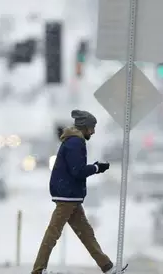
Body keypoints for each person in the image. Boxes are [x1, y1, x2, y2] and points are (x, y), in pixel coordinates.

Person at [31, 110, 126, 274]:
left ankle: (107, 267)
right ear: (85, 127)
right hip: (67, 194)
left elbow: (76, 168)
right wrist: (97, 168)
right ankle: (38, 270)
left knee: (86, 233)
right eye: (92, 128)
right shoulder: (76, 142)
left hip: (70, 194)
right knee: (53, 232)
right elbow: (77, 170)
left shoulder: (74, 141)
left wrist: (95, 167)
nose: (94, 131)